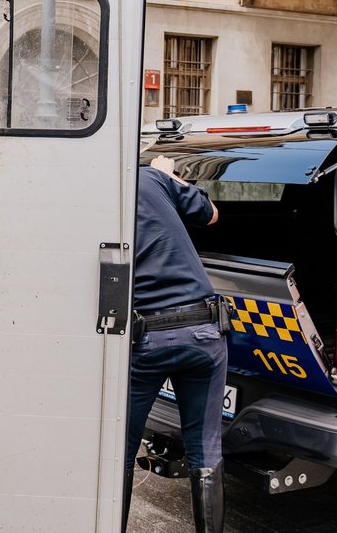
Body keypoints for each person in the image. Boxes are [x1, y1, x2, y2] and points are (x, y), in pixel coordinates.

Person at [123, 155, 227, 533]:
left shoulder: (90, 195)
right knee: (206, 448)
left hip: (146, 337)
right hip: (204, 331)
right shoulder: (153, 178)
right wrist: (169, 177)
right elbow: (211, 215)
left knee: (121, 447)